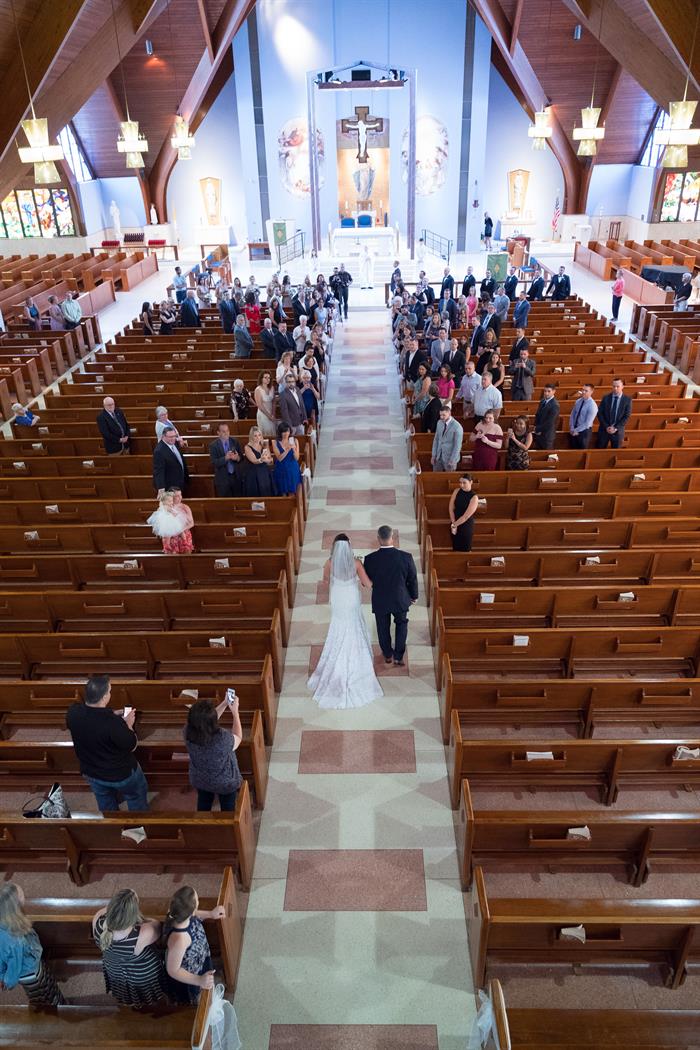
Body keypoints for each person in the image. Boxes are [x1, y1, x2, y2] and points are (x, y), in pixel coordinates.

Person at [308, 534, 383, 706]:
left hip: (338, 597)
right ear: (348, 547)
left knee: (338, 626)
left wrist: (336, 581)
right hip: (351, 598)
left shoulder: (329, 563)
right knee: (354, 623)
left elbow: (326, 581)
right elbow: (368, 584)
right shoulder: (356, 563)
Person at [66, 674, 149, 811]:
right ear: (104, 697)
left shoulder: (73, 713)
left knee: (105, 802)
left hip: (92, 772)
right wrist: (128, 724)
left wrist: (111, 714)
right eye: (109, 691)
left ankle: (112, 826)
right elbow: (132, 745)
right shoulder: (113, 724)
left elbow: (92, 721)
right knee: (135, 796)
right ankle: (137, 828)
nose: (110, 693)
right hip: (120, 774)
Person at [93, 889, 166, 1006]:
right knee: (149, 996)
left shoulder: (98, 919)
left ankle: (128, 1002)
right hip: (140, 974)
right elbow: (157, 924)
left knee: (124, 991)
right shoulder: (142, 933)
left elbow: (107, 910)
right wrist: (140, 920)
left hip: (114, 968)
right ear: (133, 914)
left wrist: (119, 909)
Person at [0, 883, 64, 1006]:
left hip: (33, 963)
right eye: (21, 896)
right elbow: (14, 969)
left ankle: (60, 1002)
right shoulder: (14, 941)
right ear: (15, 905)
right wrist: (6, 981)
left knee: (49, 985)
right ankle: (56, 1011)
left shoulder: (7, 919)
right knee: (42, 996)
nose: (24, 897)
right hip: (30, 973)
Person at [364, 525, 419, 668]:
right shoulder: (406, 557)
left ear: (378, 539)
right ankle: (398, 656)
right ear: (392, 537)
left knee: (382, 628)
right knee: (401, 625)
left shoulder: (370, 559)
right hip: (400, 599)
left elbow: (367, 581)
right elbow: (412, 578)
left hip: (381, 600)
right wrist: (414, 596)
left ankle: (387, 654)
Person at [164, 887, 223, 1004]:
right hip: (190, 974)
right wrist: (199, 980)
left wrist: (210, 914)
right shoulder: (180, 939)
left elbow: (194, 913)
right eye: (197, 901)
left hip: (199, 959)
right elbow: (173, 970)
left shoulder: (179, 914)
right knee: (194, 1000)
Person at [184, 697, 242, 812]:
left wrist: (224, 704)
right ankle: (227, 826)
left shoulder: (187, 732)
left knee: (204, 802)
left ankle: (203, 825)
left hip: (200, 778)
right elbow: (238, 737)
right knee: (227, 808)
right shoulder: (222, 739)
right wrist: (235, 713)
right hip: (224, 782)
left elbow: (205, 722)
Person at [146, 488, 194, 553]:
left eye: (180, 495)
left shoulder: (185, 507)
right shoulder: (164, 507)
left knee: (186, 553)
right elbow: (161, 523)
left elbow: (191, 523)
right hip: (170, 534)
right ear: (171, 497)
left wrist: (180, 530)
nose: (180, 497)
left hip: (183, 532)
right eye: (177, 496)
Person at [596, 378, 631, 449]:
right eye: (613, 386)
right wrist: (606, 427)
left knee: (615, 453)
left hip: (618, 431)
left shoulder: (627, 400)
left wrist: (615, 428)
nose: (615, 388)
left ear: (622, 387)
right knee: (600, 451)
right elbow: (600, 413)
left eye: (617, 386)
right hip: (604, 430)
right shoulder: (605, 398)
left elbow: (626, 416)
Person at [209, 422, 242, 497]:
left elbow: (241, 458)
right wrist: (225, 458)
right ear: (218, 433)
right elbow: (214, 463)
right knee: (226, 503)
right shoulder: (213, 445)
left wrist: (237, 458)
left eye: (227, 431)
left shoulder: (235, 441)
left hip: (236, 477)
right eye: (223, 431)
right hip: (222, 479)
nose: (226, 433)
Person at [153, 426, 189, 494]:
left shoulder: (174, 442)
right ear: (163, 436)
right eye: (170, 437)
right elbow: (159, 471)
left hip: (180, 482)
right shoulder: (159, 451)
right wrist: (161, 488)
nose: (173, 439)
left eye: (174, 436)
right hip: (170, 487)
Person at [449, 474, 478, 551]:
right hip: (454, 521)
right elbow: (451, 507)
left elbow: (466, 516)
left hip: (465, 525)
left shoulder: (474, 497)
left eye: (464, 483)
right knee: (455, 547)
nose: (461, 485)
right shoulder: (456, 491)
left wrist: (455, 525)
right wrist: (453, 522)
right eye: (460, 482)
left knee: (465, 548)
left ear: (471, 482)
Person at [243, 426, 275, 496]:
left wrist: (269, 460)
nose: (258, 437)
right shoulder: (247, 447)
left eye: (259, 435)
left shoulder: (264, 445)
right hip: (254, 474)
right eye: (255, 436)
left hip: (264, 473)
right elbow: (254, 460)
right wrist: (262, 459)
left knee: (266, 493)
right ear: (251, 436)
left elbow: (270, 459)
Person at [431, 404, 464, 471]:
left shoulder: (457, 427)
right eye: (440, 415)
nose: (441, 417)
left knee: (449, 478)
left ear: (449, 413)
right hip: (438, 455)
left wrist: (452, 459)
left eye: (443, 415)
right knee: (436, 477)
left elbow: (457, 445)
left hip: (450, 457)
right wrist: (433, 455)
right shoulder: (439, 423)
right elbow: (436, 439)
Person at [273, 422, 302, 495]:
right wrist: (288, 449)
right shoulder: (275, 442)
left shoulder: (295, 440)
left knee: (292, 491)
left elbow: (296, 458)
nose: (286, 433)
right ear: (280, 432)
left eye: (288, 431)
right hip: (281, 469)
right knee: (283, 492)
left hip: (292, 468)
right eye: (284, 431)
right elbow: (279, 458)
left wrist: (294, 449)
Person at [569, 383, 598, 448]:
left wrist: (575, 430)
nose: (583, 392)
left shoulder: (593, 405)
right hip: (574, 430)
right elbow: (572, 415)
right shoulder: (578, 401)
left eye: (586, 391)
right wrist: (572, 427)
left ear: (591, 392)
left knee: (580, 453)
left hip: (584, 432)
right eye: (583, 390)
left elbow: (587, 423)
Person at [279, 372, 307, 436]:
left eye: (292, 381)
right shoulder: (283, 395)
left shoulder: (297, 389)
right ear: (286, 383)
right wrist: (289, 426)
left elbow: (302, 404)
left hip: (300, 422)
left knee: (301, 440)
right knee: (292, 442)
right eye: (289, 382)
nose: (291, 383)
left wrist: (305, 418)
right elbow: (284, 412)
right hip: (292, 425)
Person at [533, 383, 560, 449]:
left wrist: (538, 429)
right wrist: (535, 427)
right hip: (538, 434)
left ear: (554, 391)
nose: (546, 393)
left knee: (545, 455)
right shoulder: (542, 401)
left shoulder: (555, 405)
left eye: (549, 391)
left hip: (547, 435)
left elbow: (550, 422)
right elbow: (538, 415)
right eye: (545, 391)